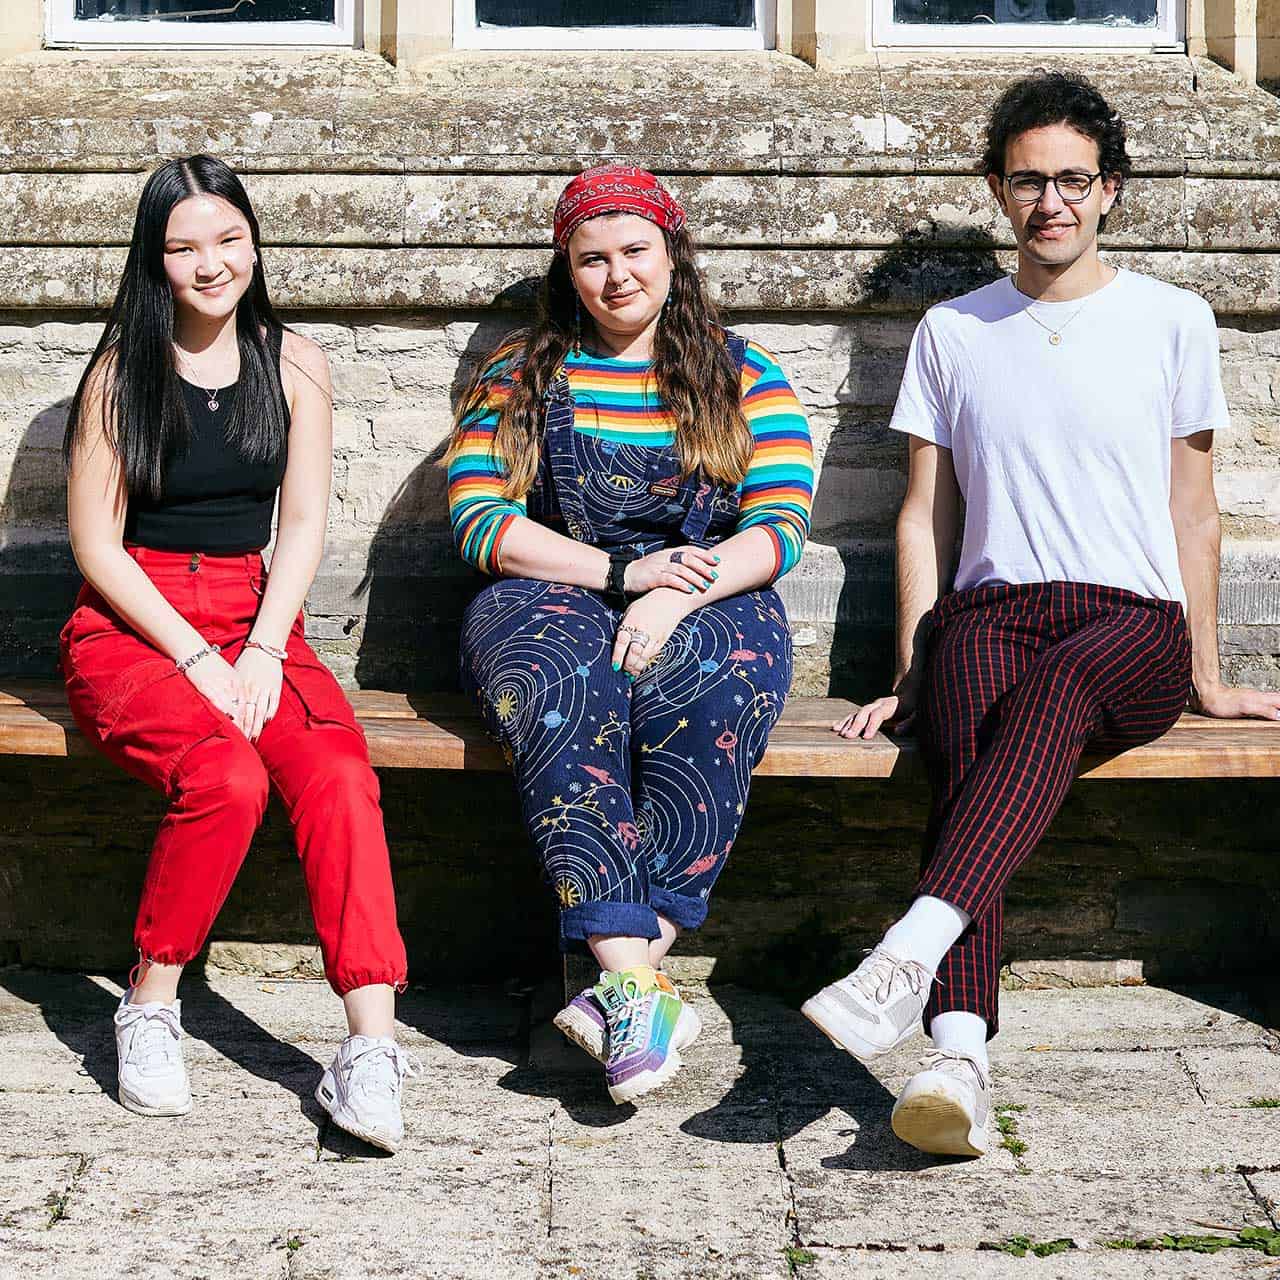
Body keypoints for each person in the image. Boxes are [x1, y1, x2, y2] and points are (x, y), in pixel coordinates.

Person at [804, 73, 1280, 1157]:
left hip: (1130, 623)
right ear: (996, 189)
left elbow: (1192, 510)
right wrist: (911, 670)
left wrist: (1205, 671)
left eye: (1072, 179)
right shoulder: (953, 332)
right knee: (963, 733)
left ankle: (906, 953)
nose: (1050, 201)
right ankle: (957, 1054)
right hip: (993, 607)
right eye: (1028, 180)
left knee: (1056, 690)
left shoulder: (1170, 320)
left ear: (1108, 189)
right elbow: (923, 516)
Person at [60, 155, 415, 1151]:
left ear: (253, 242)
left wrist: (260, 646)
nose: (210, 264)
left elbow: (300, 521)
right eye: (183, 247)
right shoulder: (116, 375)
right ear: (154, 260)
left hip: (256, 613)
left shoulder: (296, 361)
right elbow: (97, 545)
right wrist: (196, 660)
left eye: (227, 240)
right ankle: (149, 1003)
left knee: (341, 772)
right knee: (223, 775)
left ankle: (370, 1049)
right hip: (136, 620)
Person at [445, 165, 813, 1104]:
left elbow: (778, 525)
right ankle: (636, 978)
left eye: (635, 252)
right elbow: (480, 517)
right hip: (554, 582)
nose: (617, 276)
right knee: (563, 682)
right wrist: (616, 574)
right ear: (566, 270)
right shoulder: (521, 374)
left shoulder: (743, 372)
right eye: (593, 258)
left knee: (715, 678)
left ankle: (621, 978)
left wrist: (675, 595)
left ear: (673, 254)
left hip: (709, 585)